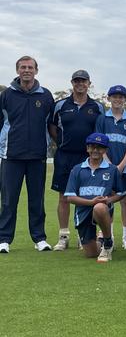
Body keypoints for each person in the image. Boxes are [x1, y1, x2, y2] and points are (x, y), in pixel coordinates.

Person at [0, 56, 54, 253]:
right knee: (8, 201)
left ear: (36, 70)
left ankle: (39, 238)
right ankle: (4, 239)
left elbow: (51, 125)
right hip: (11, 156)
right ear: (17, 70)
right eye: (23, 67)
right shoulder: (6, 96)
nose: (26, 70)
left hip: (37, 157)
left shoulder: (46, 96)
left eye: (30, 67)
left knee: (36, 200)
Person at [50, 69, 105, 251]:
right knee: (64, 196)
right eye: (76, 81)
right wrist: (62, 142)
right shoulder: (60, 105)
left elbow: (101, 131)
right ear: (72, 83)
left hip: (88, 157)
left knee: (89, 196)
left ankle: (85, 236)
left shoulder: (97, 107)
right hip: (65, 156)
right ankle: (64, 236)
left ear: (89, 83)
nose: (80, 84)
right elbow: (52, 127)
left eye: (83, 81)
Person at [64, 133, 125, 262]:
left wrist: (108, 200)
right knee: (91, 254)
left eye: (100, 147)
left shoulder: (112, 170)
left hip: (102, 209)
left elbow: (121, 193)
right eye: (92, 147)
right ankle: (100, 243)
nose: (96, 150)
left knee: (100, 208)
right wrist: (91, 202)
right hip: (82, 212)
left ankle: (107, 242)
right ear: (87, 148)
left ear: (105, 150)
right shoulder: (77, 169)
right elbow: (69, 197)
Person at [94, 85, 126, 249]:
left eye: (121, 97)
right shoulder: (102, 118)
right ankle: (108, 235)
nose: (118, 100)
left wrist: (122, 164)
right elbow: (99, 142)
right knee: (108, 200)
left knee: (125, 200)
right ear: (109, 98)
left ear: (125, 99)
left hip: (124, 166)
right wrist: (110, 165)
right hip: (106, 166)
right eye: (114, 97)